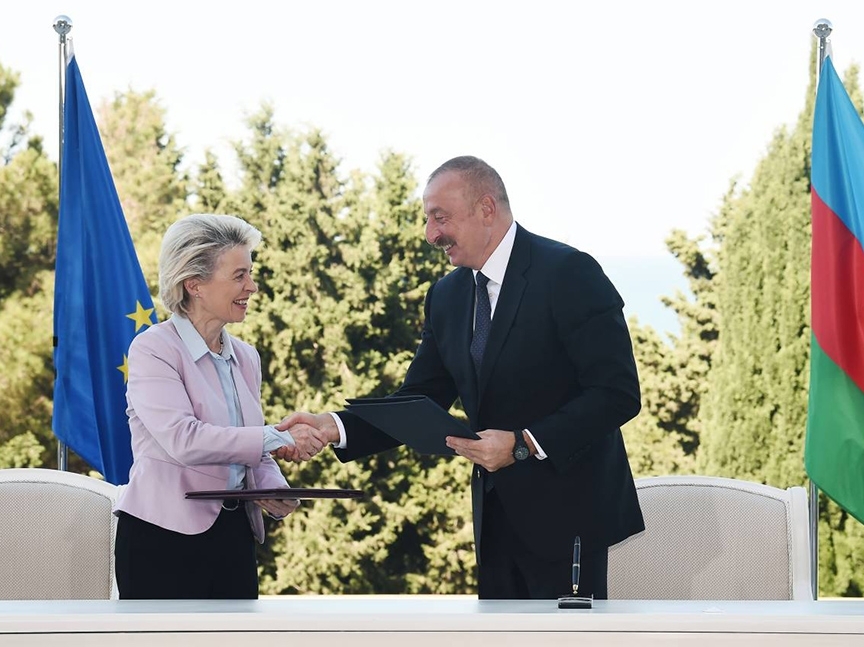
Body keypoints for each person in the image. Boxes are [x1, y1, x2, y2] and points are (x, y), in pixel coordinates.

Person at [278, 156, 644, 600]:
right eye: (428, 219)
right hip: (494, 523)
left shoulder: (569, 273)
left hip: (572, 521)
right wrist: (335, 426)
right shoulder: (447, 295)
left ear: (487, 208)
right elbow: (420, 398)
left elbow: (616, 394)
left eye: (440, 217)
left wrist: (523, 443)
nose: (431, 234)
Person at [113, 213, 323, 600]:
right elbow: (185, 440)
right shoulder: (153, 349)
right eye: (239, 275)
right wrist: (275, 437)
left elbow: (248, 447)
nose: (252, 287)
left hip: (234, 539)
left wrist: (276, 490)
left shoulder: (246, 357)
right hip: (161, 538)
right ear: (194, 284)